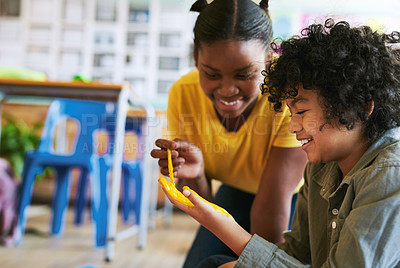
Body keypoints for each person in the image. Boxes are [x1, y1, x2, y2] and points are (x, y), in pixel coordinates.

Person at [160, 19, 400, 267]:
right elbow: (296, 254)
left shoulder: (390, 176)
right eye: (291, 113)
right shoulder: (321, 167)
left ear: (358, 107)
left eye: (303, 112)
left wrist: (226, 228)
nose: (293, 126)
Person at [150, 0, 307, 266]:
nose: (227, 90)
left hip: (290, 202)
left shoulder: (289, 96)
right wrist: (196, 174)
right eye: (211, 74)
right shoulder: (183, 93)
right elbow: (201, 204)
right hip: (234, 192)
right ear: (197, 60)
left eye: (244, 75)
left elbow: (270, 209)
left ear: (269, 59)